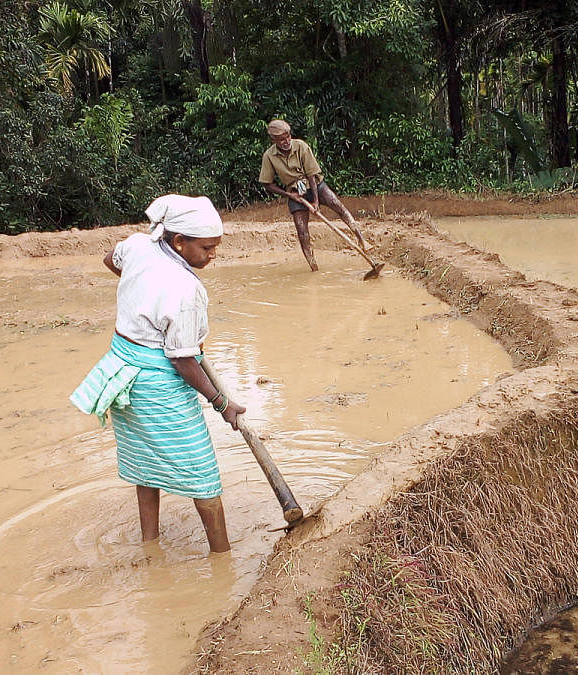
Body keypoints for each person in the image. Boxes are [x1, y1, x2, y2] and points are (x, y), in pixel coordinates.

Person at [70, 194, 245, 554]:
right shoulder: (185, 289)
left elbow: (110, 259)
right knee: (203, 474)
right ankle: (222, 556)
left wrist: (139, 284)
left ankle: (150, 544)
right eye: (207, 248)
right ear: (179, 241)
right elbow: (182, 361)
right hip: (154, 383)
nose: (213, 255)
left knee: (143, 461)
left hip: (122, 370)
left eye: (216, 247)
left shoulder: (138, 245)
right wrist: (221, 401)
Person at [258, 119, 367, 272]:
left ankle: (362, 240)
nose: (286, 141)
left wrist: (316, 201)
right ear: (273, 140)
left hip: (316, 186)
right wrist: (289, 195)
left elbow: (311, 175)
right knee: (302, 231)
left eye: (288, 136)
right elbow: (267, 184)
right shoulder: (269, 156)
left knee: (338, 206)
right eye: (282, 139)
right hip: (295, 193)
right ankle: (314, 267)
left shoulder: (301, 146)